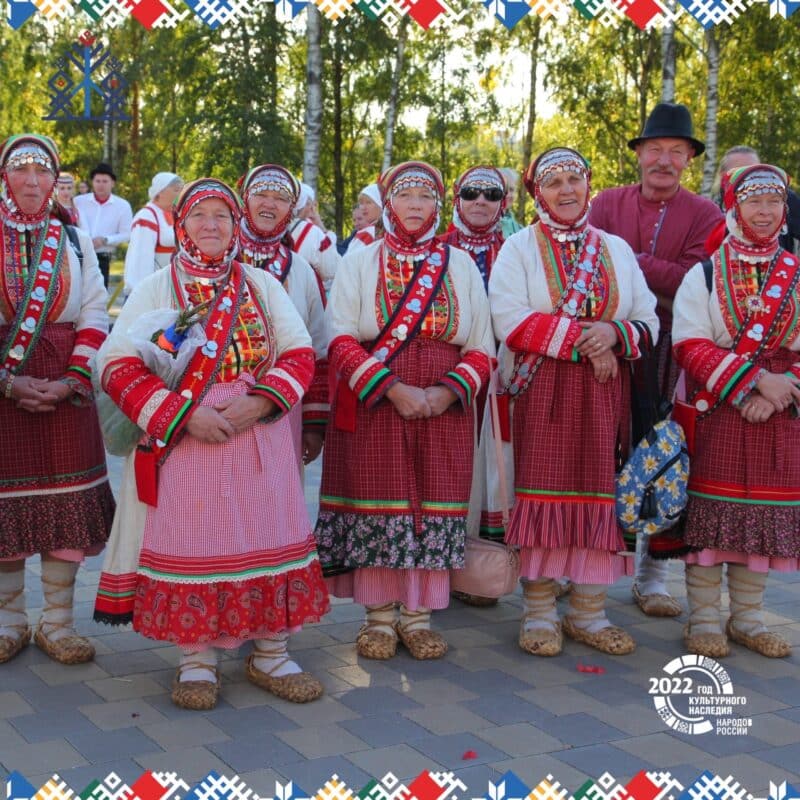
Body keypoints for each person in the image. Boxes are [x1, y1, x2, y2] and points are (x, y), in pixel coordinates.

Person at [94, 178, 330, 709]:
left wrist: (261, 402)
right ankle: (196, 659)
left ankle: (271, 652)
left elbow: (299, 353)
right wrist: (182, 415)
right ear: (181, 225)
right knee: (193, 541)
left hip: (260, 436)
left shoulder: (261, 285)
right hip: (187, 442)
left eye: (222, 216)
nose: (211, 225)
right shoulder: (156, 287)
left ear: (235, 224)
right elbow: (116, 364)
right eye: (200, 215)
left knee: (268, 533)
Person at [315, 161, 494, 661]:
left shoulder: (459, 263)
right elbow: (340, 338)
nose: (416, 205)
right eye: (405, 195)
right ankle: (378, 618)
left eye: (425, 196)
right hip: (376, 402)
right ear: (388, 203)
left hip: (444, 407)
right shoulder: (360, 260)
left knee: (434, 503)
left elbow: (482, 345)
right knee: (380, 502)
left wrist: (445, 393)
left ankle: (418, 617)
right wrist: (392, 389)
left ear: (439, 205)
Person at [489, 147, 659, 657]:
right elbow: (509, 318)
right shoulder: (519, 248)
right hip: (542, 393)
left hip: (604, 397)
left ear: (589, 184)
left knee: (598, 499)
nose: (566, 190)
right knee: (541, 499)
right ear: (537, 193)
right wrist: (589, 343)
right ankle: (540, 611)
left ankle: (589, 611)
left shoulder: (616, 249)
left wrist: (613, 334)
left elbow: (648, 320)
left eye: (574, 179)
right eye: (553, 182)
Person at [589, 102, 723, 618]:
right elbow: (586, 267)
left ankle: (653, 574)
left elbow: (694, 282)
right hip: (606, 347)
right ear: (640, 154)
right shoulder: (607, 203)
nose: (664, 160)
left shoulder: (705, 214)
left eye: (676, 151)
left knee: (666, 456)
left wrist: (628, 260)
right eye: (655, 149)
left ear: (689, 158)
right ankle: (585, 569)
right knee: (599, 452)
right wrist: (653, 276)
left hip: (671, 353)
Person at [673, 164, 800, 659]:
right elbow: (689, 342)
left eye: (774, 202)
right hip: (719, 409)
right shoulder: (704, 273)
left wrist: (780, 391)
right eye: (754, 202)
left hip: (781, 410)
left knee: (760, 519)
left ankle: (748, 617)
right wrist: (751, 386)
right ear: (734, 207)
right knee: (710, 518)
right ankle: (704, 618)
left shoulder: (796, 271)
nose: (764, 212)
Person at [0, 133, 114, 666]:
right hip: (6, 386)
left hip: (67, 384)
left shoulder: (73, 237)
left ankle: (58, 624)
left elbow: (94, 310)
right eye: (20, 170)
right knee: (7, 507)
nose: (31, 181)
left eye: (42, 170)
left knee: (66, 503)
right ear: (4, 178)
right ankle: (9, 622)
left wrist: (73, 378)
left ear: (54, 179)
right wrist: (9, 382)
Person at [237, 164, 328, 464]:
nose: (270, 204)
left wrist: (314, 424)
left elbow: (318, 348)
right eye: (261, 194)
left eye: (281, 198)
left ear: (292, 209)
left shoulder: (301, 270)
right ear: (244, 200)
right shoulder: (216, 259)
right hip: (218, 407)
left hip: (283, 405)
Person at [711, 146, 800, 256]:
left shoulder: (784, 197)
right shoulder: (710, 209)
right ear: (723, 175)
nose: (748, 176)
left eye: (754, 170)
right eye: (739, 171)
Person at [439, 165, 507, 290]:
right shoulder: (435, 248)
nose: (480, 201)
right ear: (457, 200)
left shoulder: (512, 252)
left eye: (492, 194)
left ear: (502, 204)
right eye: (469, 193)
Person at [73, 162, 133, 289]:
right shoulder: (79, 201)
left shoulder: (122, 206)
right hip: (78, 255)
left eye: (105, 181)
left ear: (113, 183)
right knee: (74, 292)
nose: (101, 185)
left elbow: (127, 234)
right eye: (97, 181)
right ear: (92, 182)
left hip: (102, 257)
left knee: (98, 294)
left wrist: (105, 240)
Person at [123, 172, 183, 296]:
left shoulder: (175, 215)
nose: (181, 194)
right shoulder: (146, 216)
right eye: (176, 190)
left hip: (169, 287)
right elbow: (141, 259)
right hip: (151, 291)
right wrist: (143, 292)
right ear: (160, 192)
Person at [290, 182, 342, 291]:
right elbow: (331, 270)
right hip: (303, 294)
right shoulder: (313, 232)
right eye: (312, 204)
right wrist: (321, 226)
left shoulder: (273, 226)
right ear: (308, 205)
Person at [498, 167, 524, 239]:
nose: (508, 194)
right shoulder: (481, 224)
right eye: (503, 189)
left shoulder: (521, 231)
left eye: (511, 190)